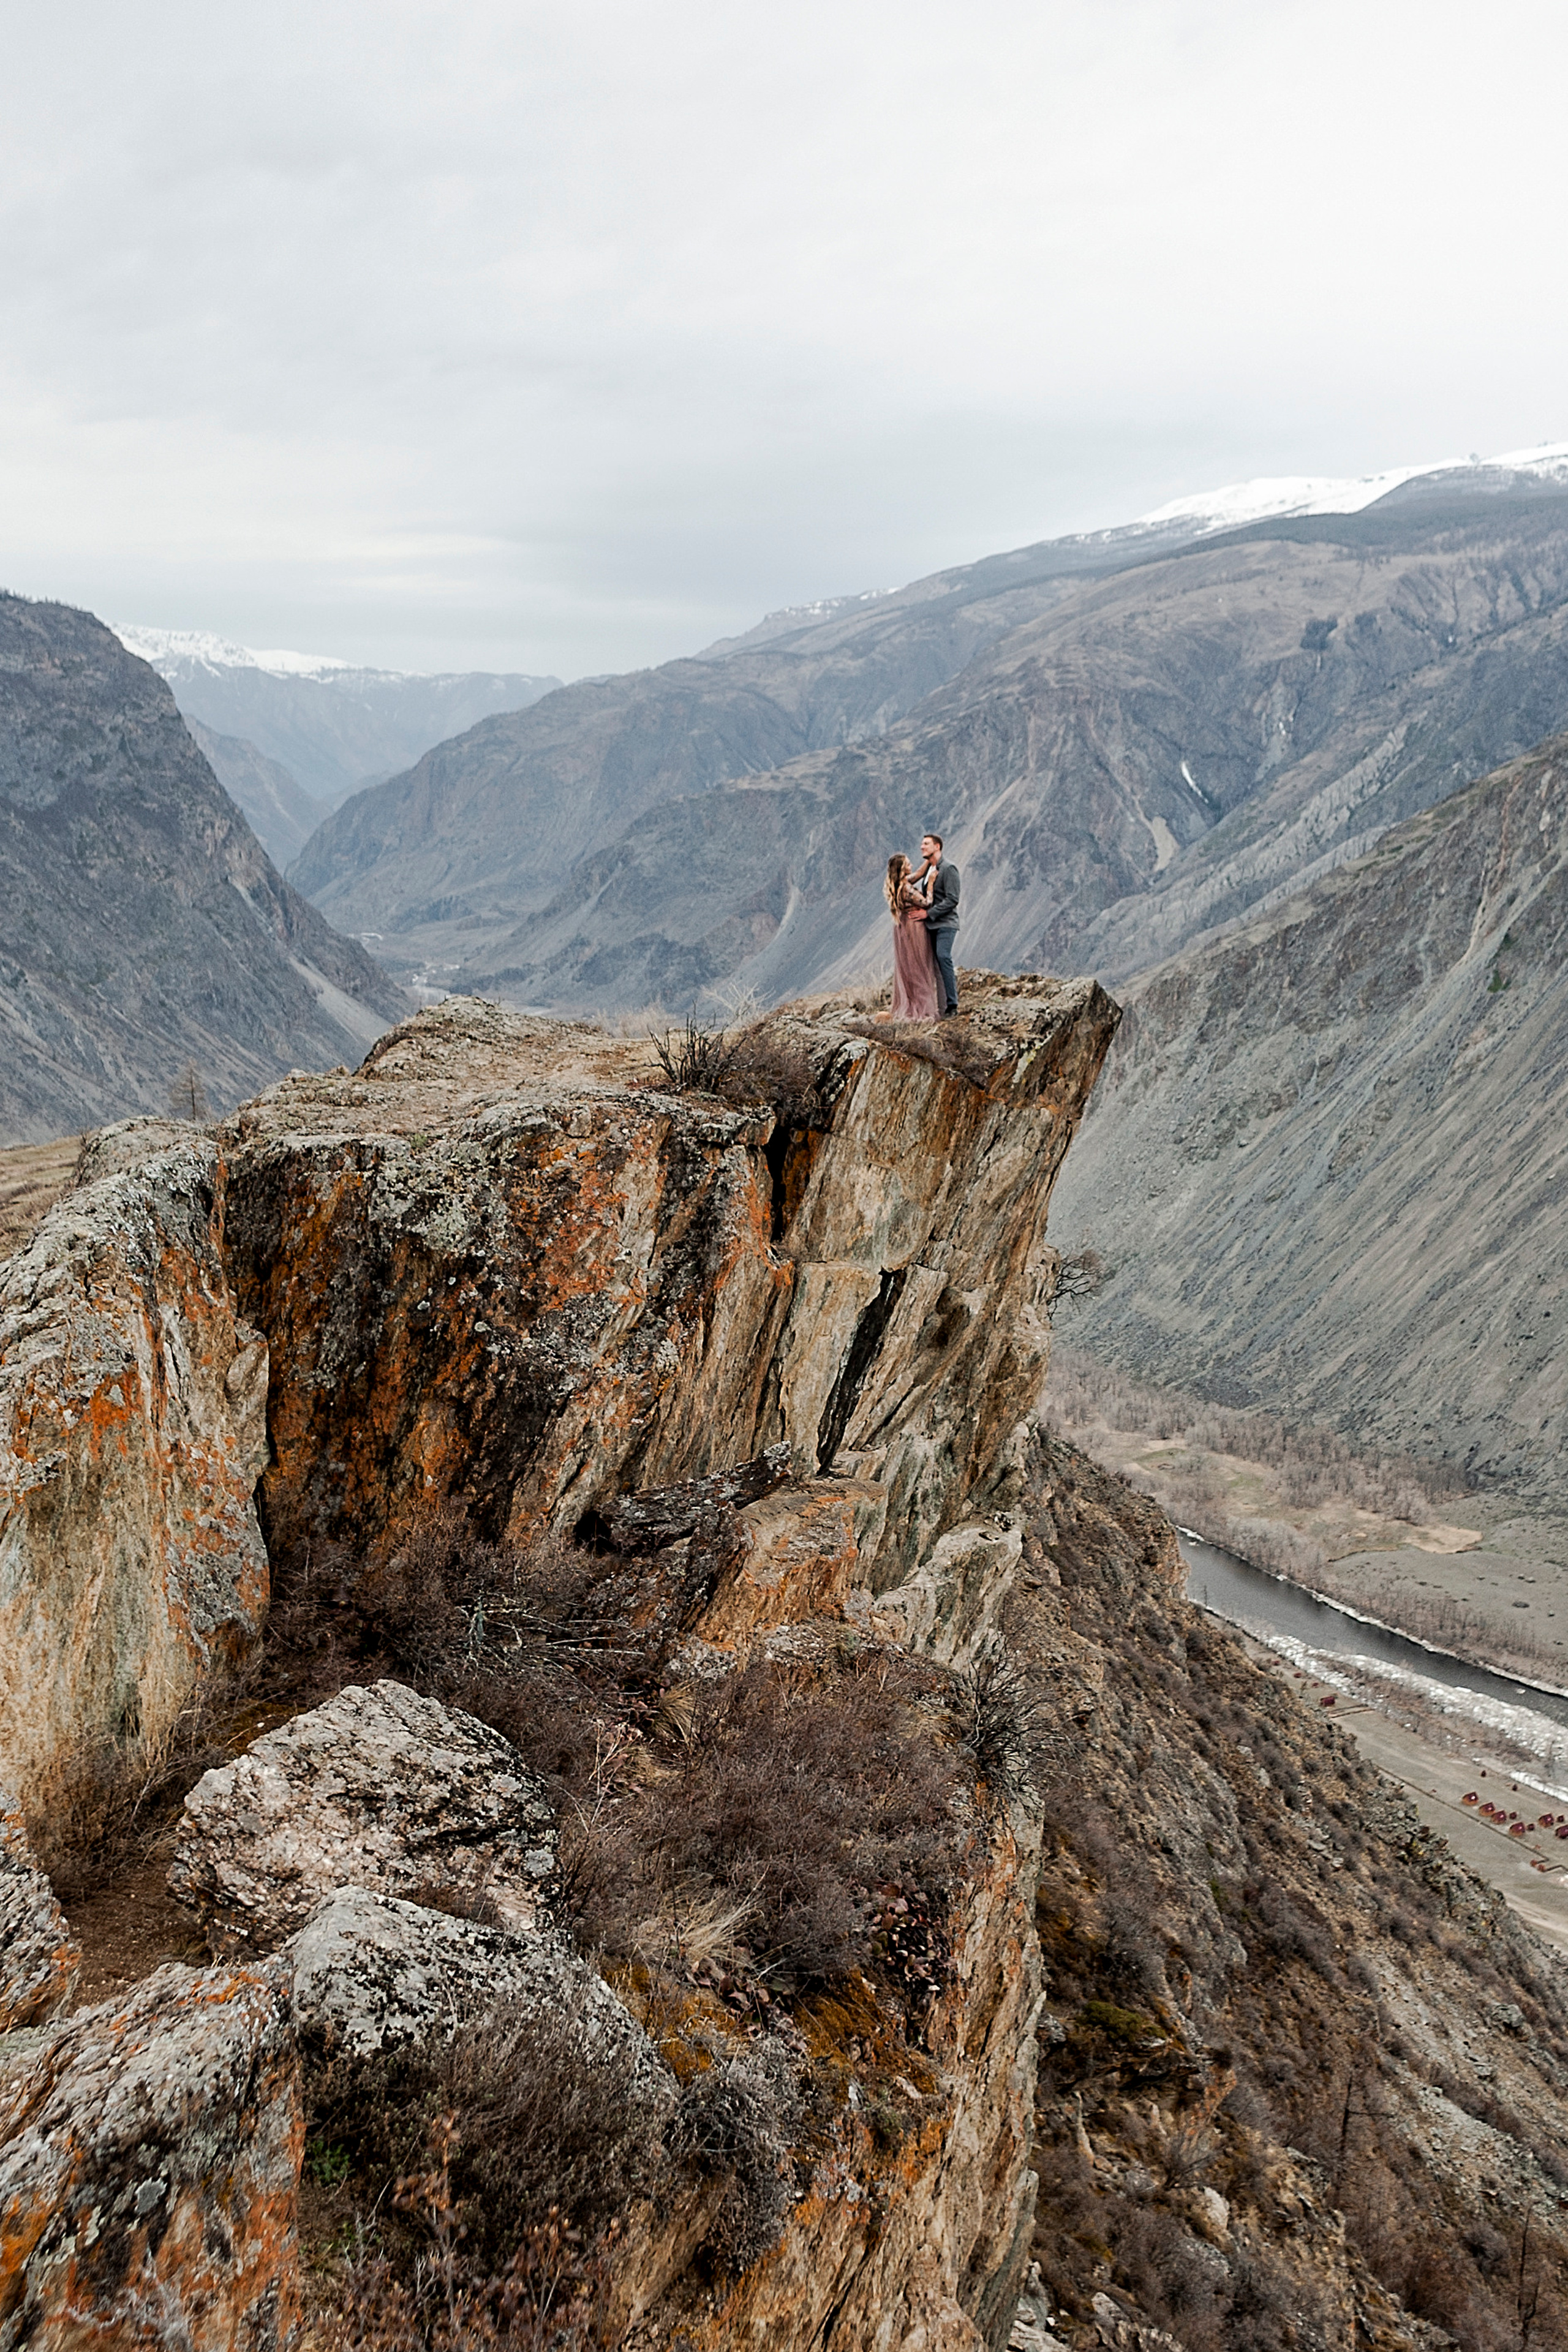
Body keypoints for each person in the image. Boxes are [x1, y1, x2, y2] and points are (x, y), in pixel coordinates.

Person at [882, 851, 940, 1020]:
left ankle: (911, 1002)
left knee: (909, 966)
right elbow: (927, 903)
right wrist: (930, 883)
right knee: (919, 966)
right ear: (902, 870)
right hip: (914, 928)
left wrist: (929, 860)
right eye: (908, 864)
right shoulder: (906, 888)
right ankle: (922, 1007)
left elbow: (919, 873)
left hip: (902, 929)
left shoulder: (899, 884)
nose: (911, 866)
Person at [914, 831, 960, 1015]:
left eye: (926, 844)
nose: (922, 847)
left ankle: (953, 1005)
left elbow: (952, 899)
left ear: (937, 846)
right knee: (935, 966)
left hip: (946, 924)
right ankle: (941, 1008)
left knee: (943, 957)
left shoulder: (949, 869)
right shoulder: (928, 870)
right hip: (931, 926)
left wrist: (928, 913)